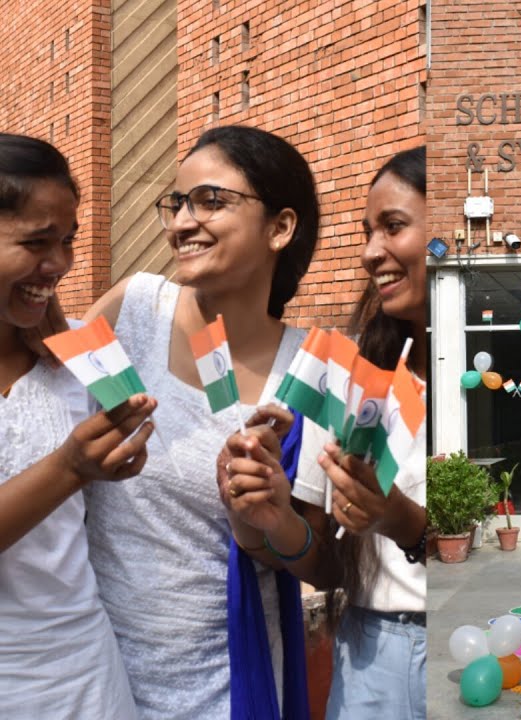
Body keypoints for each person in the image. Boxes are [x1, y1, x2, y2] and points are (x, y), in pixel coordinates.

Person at [81, 125, 320, 719]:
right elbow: (39, 415)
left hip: (225, 684)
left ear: (280, 228)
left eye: (212, 201)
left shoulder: (308, 372)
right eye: (178, 203)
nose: (183, 222)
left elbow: (323, 562)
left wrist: (270, 515)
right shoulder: (135, 307)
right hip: (90, 674)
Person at [222, 145, 427, 717]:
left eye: (393, 226)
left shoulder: (498, 375)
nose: (370, 253)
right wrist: (271, 515)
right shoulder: (351, 380)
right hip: (372, 655)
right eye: (367, 231)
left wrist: (403, 520)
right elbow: (326, 564)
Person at [0, 133, 156, 718]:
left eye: (66, 242)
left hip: (87, 677)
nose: (60, 263)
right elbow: (77, 465)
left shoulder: (71, 365)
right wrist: (69, 468)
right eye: (36, 243)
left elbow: (133, 431)